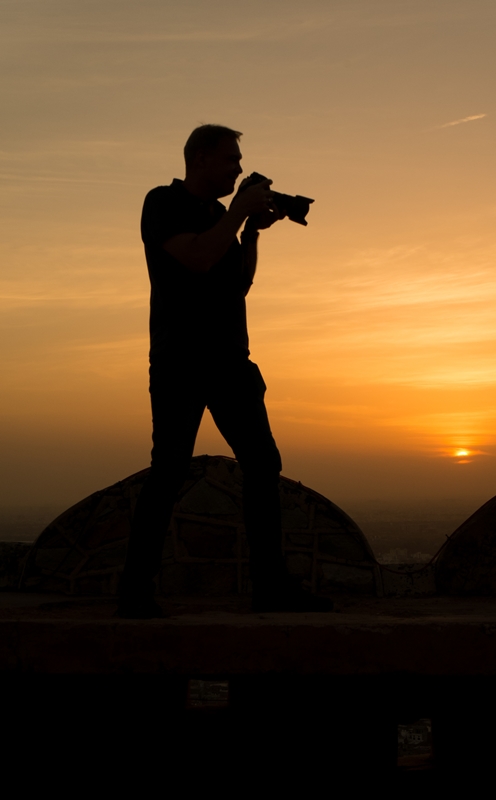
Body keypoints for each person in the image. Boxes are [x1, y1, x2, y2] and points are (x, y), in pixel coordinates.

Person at [117, 124, 333, 618]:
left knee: (262, 466)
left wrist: (251, 234)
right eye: (231, 159)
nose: (238, 168)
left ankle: (271, 588)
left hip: (230, 360)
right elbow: (194, 258)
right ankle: (134, 593)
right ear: (201, 159)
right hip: (181, 360)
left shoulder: (222, 216)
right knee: (168, 471)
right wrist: (237, 213)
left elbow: (236, 286)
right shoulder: (163, 203)